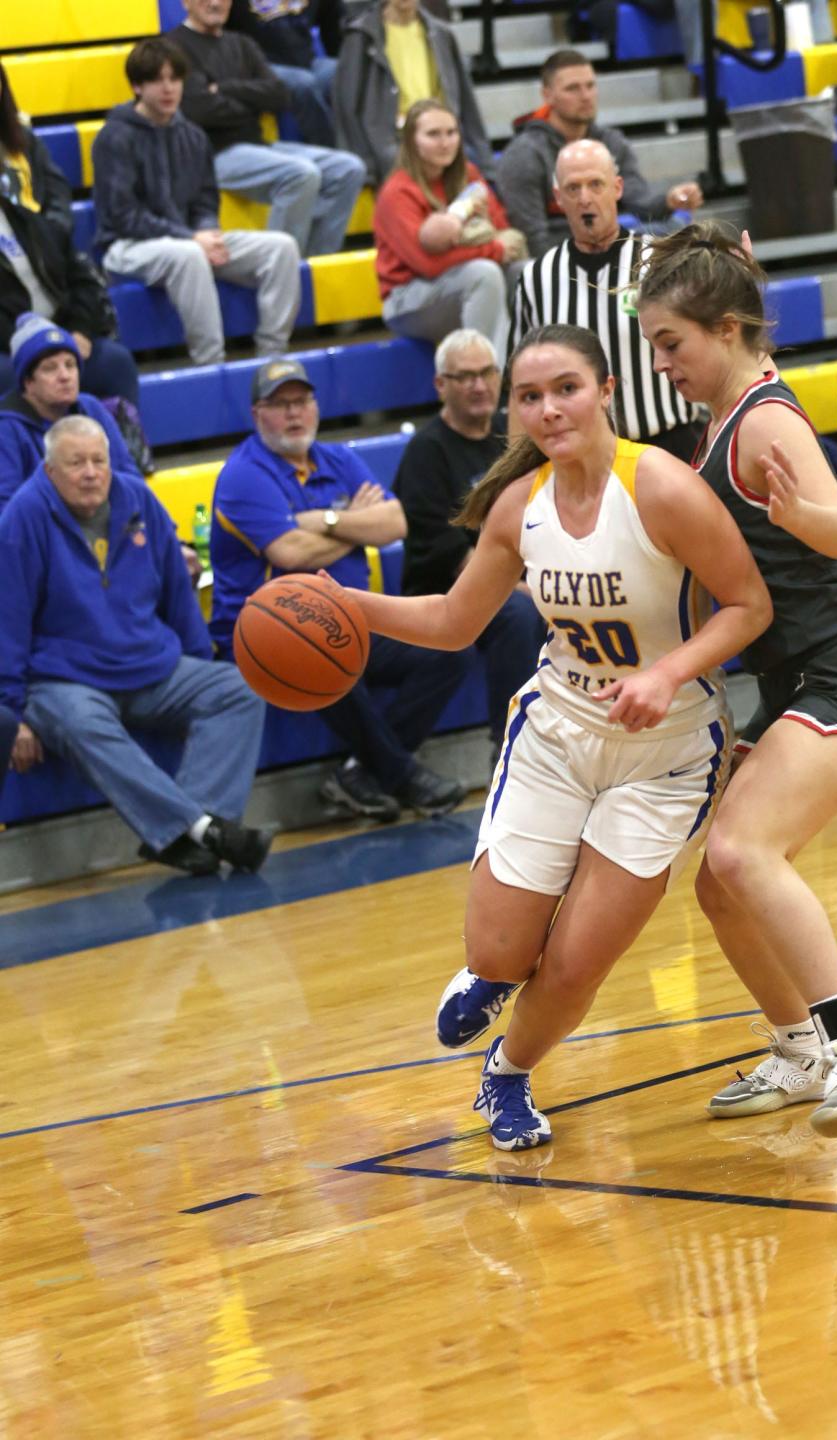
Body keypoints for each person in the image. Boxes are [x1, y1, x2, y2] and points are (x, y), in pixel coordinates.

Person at [338, 322, 772, 1149]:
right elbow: (453, 621)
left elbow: (750, 606)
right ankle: (493, 973)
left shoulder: (664, 490)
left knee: (575, 964)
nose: (548, 408)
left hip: (667, 751)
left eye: (565, 388)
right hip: (558, 732)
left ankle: (506, 1074)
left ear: (606, 390)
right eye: (530, 396)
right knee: (500, 950)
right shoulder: (518, 505)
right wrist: (346, 604)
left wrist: (667, 672)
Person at [634, 221, 837, 1137]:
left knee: (739, 852)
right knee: (720, 884)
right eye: (651, 347)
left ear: (725, 329)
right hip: (795, 676)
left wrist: (806, 511)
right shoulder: (721, 417)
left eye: (670, 344)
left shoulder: (761, 416)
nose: (661, 363)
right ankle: (798, 1052)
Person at [0, 416, 270, 876]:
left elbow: (177, 594)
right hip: (64, 680)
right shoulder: (22, 518)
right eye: (76, 463)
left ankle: (189, 830)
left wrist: (198, 660)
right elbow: (6, 621)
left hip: (151, 665)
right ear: (49, 471)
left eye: (98, 460)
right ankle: (207, 830)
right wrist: (10, 711)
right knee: (82, 723)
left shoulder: (137, 497)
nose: (90, 472)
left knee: (238, 688)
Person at [209, 357, 470, 822]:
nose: (294, 413)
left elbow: (396, 522)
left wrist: (326, 521)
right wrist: (355, 523)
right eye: (280, 404)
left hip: (348, 619)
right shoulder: (243, 474)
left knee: (448, 650)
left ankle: (359, 774)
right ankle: (402, 775)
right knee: (323, 658)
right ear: (256, 414)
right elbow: (290, 555)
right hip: (268, 634)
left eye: (302, 400)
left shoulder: (337, 457)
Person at [92, 36, 302, 370]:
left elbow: (206, 199)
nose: (168, 88)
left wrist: (207, 231)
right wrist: (190, 238)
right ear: (136, 86)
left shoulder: (193, 135)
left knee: (281, 247)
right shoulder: (114, 137)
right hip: (127, 247)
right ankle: (210, 365)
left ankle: (272, 359)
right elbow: (123, 216)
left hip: (186, 239)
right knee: (189, 255)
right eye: (157, 80)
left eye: (174, 79)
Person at [393, 328, 545, 761]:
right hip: (447, 589)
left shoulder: (511, 434)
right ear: (441, 385)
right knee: (518, 611)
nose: (479, 385)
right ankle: (512, 748)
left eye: (486, 373)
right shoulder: (426, 452)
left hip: (520, 579)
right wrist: (536, 589)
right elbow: (456, 558)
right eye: (465, 377)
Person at [511, 138, 702, 460]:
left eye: (595, 185)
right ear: (558, 198)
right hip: (583, 459)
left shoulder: (663, 261)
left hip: (670, 445)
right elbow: (519, 385)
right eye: (573, 188)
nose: (585, 198)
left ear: (617, 188)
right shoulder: (535, 280)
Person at [173, 0, 366, 258]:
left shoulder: (242, 44)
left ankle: (313, 265)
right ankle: (282, 268)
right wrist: (251, 101)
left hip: (256, 145)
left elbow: (278, 96)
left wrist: (224, 89)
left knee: (349, 169)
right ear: (185, 2)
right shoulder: (174, 47)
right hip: (212, 153)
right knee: (300, 175)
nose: (215, 3)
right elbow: (198, 109)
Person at [0, 59, 140, 408]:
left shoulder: (27, 218)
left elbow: (83, 280)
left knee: (114, 363)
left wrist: (75, 331)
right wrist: (40, 347)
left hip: (55, 332)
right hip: (11, 345)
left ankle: (127, 459)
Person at [498, 50, 703, 260]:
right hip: (559, 249)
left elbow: (641, 204)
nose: (586, 96)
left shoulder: (611, 143)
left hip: (610, 239)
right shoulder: (524, 154)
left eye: (590, 85)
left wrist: (669, 200)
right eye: (572, 89)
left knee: (678, 231)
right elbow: (533, 238)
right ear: (547, 95)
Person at [374, 101, 527, 367]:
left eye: (451, 132)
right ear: (412, 141)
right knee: (483, 274)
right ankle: (490, 383)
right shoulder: (397, 192)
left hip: (459, 281)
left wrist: (493, 245)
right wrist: (493, 249)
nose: (445, 142)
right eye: (433, 134)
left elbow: (503, 231)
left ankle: (540, 372)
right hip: (408, 300)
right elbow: (429, 264)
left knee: (529, 272)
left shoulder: (468, 175)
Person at [332, 0, 496, 188]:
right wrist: (367, 168)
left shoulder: (442, 35)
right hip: (392, 139)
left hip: (441, 131)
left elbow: (467, 105)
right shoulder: (361, 37)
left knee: (473, 170)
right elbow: (347, 108)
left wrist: (487, 164)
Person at [0, 315, 143, 513]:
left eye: (70, 365)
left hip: (102, 528)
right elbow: (5, 510)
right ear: (28, 382)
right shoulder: (6, 428)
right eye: (50, 369)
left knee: (183, 530)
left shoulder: (91, 408)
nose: (65, 376)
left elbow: (129, 478)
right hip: (40, 537)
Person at [226, 0, 339, 147]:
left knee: (343, 72)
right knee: (303, 83)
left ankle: (363, 150)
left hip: (308, 62)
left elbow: (333, 25)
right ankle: (332, 152)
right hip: (261, 68)